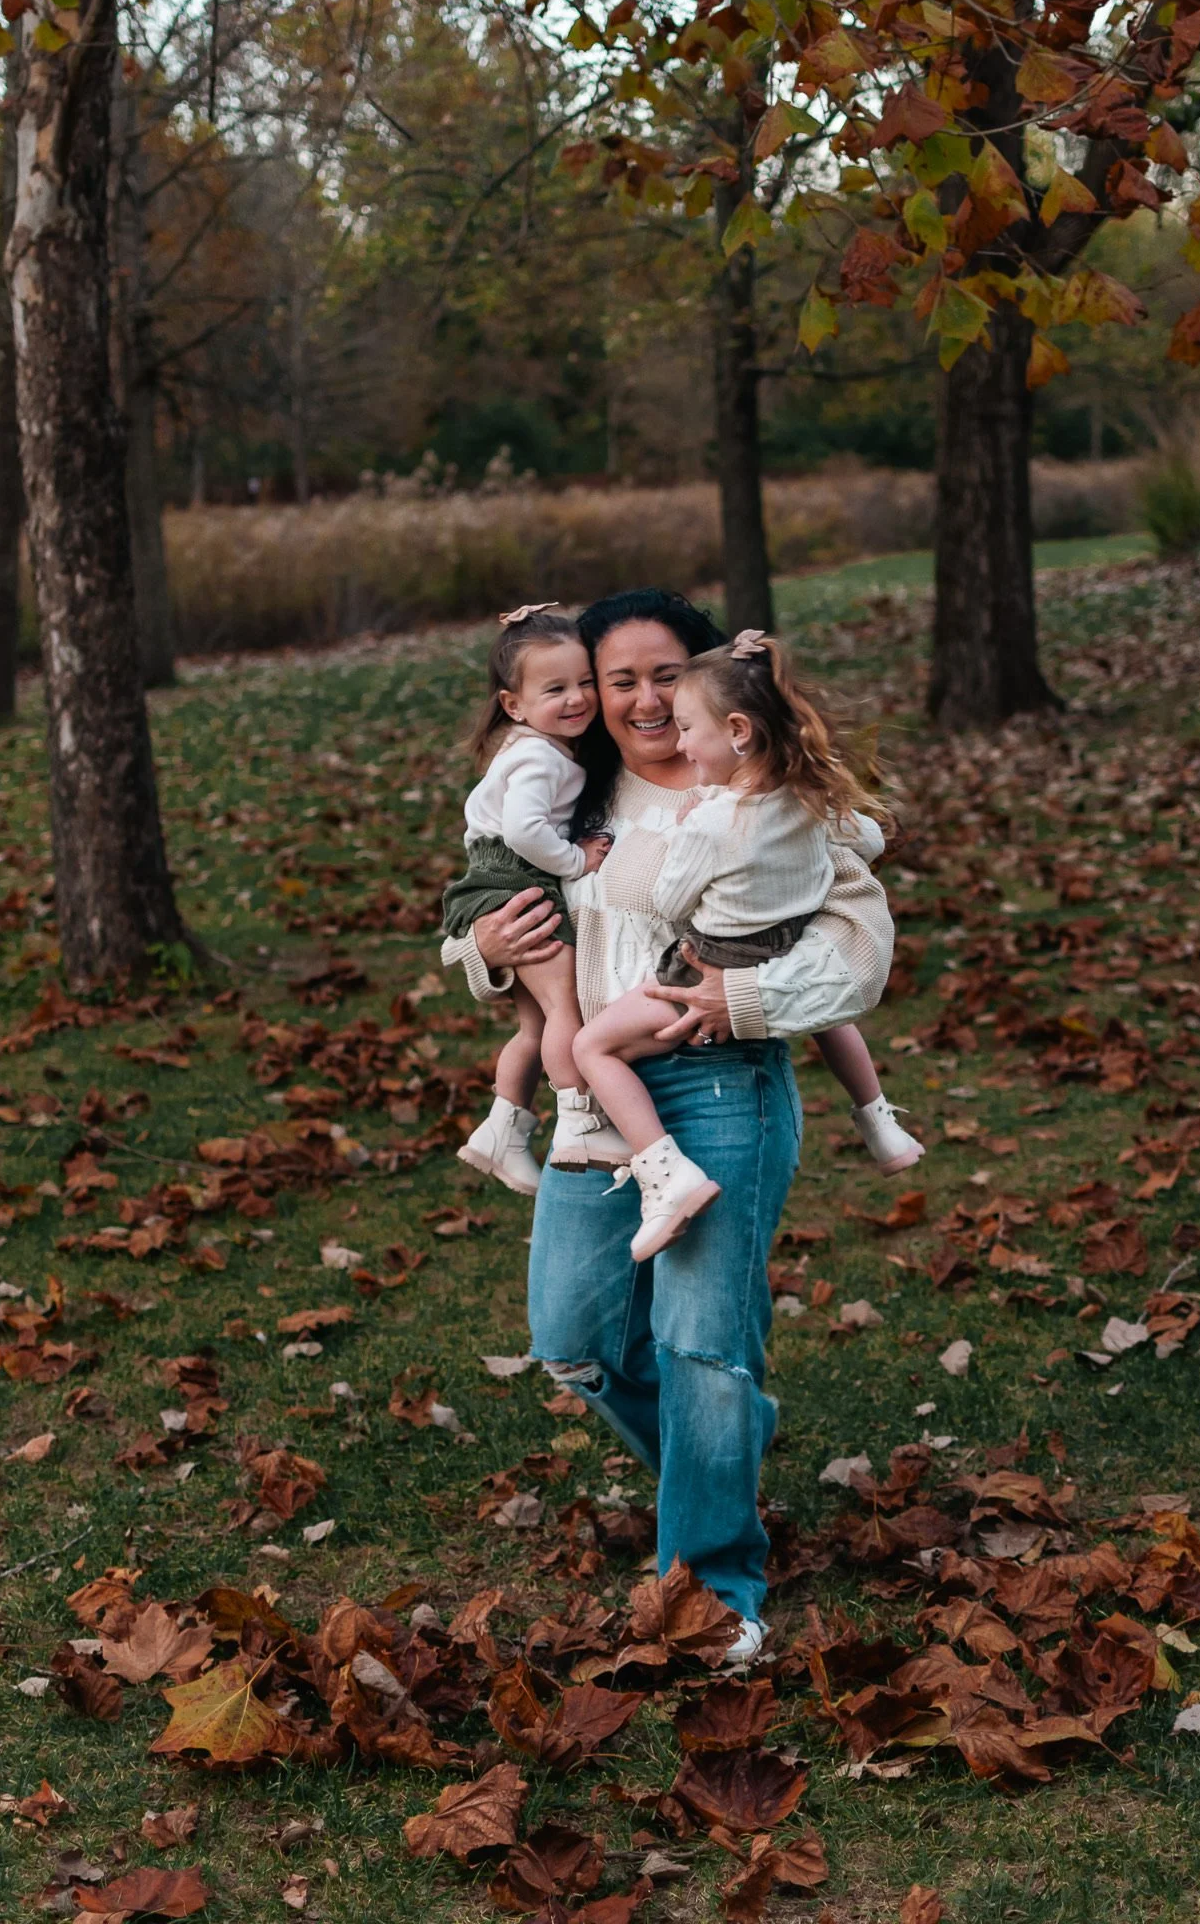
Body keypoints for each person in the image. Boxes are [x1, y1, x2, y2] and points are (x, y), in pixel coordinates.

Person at [441, 588, 895, 1664]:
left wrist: (744, 1000)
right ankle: (724, 1438)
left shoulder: (767, 787)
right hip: (593, 1097)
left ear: (706, 682)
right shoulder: (567, 791)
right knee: (572, 1341)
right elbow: (481, 918)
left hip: (723, 1083)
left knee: (701, 1345)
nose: (644, 700)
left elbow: (861, 950)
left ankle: (714, 1587)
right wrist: (482, 952)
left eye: (664, 675)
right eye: (619, 680)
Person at [573, 628, 921, 1262]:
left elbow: (670, 903)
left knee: (591, 1046)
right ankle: (879, 1122)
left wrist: (684, 832)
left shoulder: (710, 821)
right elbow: (869, 841)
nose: (681, 742)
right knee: (834, 1024)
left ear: (737, 731)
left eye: (687, 727)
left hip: (712, 964)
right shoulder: (808, 794)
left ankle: (665, 1175)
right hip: (787, 944)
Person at [440, 604, 619, 1197]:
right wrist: (575, 861)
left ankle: (503, 1131)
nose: (577, 698)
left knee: (535, 1024)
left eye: (585, 682)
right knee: (566, 1005)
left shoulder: (537, 746)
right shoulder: (539, 756)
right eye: (555, 689)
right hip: (514, 880)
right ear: (514, 704)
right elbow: (522, 830)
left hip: (496, 882)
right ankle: (579, 1122)